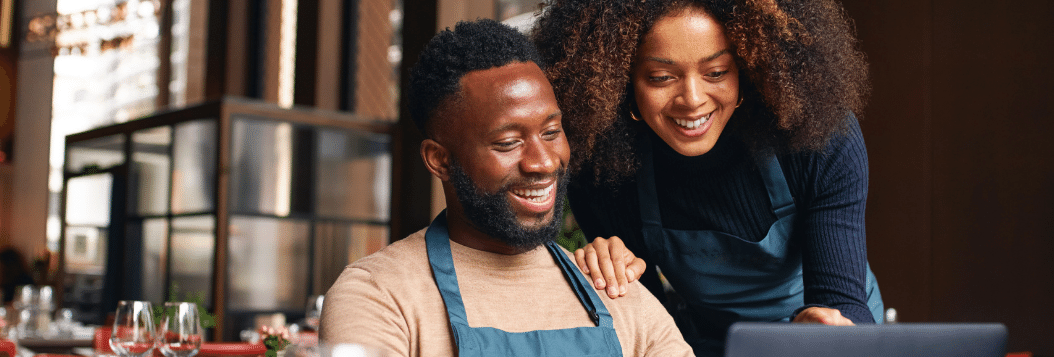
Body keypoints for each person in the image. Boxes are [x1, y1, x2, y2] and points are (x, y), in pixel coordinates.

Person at [319, 19, 693, 357]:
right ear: (440, 160)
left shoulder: (614, 292)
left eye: (551, 132)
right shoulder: (379, 295)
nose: (543, 162)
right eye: (508, 143)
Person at [532, 0, 884, 355]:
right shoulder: (604, 168)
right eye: (661, 77)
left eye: (716, 72)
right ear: (622, 80)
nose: (693, 100)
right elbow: (648, 325)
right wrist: (609, 275)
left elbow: (845, 308)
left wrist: (822, 328)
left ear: (747, 69)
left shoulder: (817, 139)